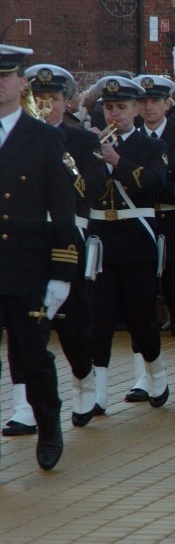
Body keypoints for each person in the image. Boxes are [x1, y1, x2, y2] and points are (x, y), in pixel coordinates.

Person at [2, 63, 107, 434]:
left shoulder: (80, 140)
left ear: (68, 101)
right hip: (23, 243)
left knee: (72, 322)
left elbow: (94, 188)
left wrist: (66, 168)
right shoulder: (16, 137)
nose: (47, 106)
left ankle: (84, 382)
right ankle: (23, 407)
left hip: (66, 237)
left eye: (55, 99)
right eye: (41, 98)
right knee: (20, 329)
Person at [0, 45, 77, 470]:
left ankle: (48, 425)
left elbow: (62, 211)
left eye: (7, 76)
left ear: (22, 83)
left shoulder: (45, 137)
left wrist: (62, 273)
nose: (0, 84)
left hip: (27, 266)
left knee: (32, 356)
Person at [87, 75, 168, 413]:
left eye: (121, 107)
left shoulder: (151, 147)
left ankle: (157, 373)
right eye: (109, 107)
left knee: (141, 316)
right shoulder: (89, 143)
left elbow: (154, 185)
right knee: (99, 318)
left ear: (136, 109)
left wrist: (116, 161)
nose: (115, 114)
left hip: (136, 240)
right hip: (101, 242)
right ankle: (98, 394)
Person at [132, 74, 175, 398]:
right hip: (141, 227)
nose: (148, 107)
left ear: (167, 103)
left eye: (154, 101)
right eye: (142, 101)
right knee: (139, 302)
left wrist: (151, 182)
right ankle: (144, 374)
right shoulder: (127, 138)